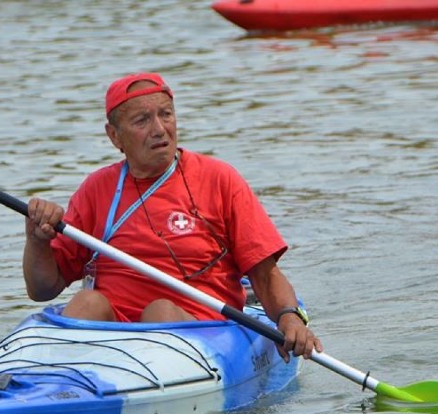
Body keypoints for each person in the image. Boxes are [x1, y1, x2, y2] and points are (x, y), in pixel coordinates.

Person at [23, 73, 321, 361]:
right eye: (142, 120)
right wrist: (37, 240)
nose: (159, 129)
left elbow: (264, 275)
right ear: (114, 136)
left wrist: (289, 318)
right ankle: (62, 386)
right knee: (86, 302)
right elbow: (43, 289)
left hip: (197, 330)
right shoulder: (96, 189)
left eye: (166, 115)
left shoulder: (219, 179)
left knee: (159, 311)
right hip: (113, 331)